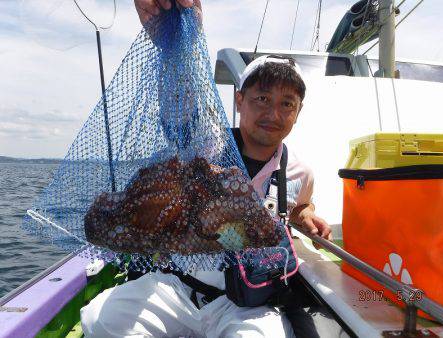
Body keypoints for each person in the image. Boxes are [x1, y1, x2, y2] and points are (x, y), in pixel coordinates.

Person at [81, 1, 333, 337]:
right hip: (176, 286)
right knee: (103, 320)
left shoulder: (300, 171)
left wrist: (306, 215)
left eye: (287, 103)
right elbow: (183, 104)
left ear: (298, 112)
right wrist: (180, 41)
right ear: (239, 100)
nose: (274, 113)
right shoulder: (206, 143)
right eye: (262, 98)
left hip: (246, 303)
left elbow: (300, 206)